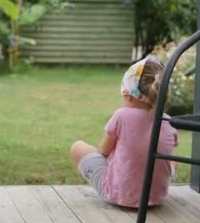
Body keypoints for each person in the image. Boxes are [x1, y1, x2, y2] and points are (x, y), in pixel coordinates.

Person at [70, 55, 178, 208]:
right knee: (172, 160)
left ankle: (121, 182)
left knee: (78, 147)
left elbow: (103, 151)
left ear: (128, 95)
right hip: (157, 197)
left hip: (117, 194)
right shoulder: (168, 121)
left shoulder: (121, 115)